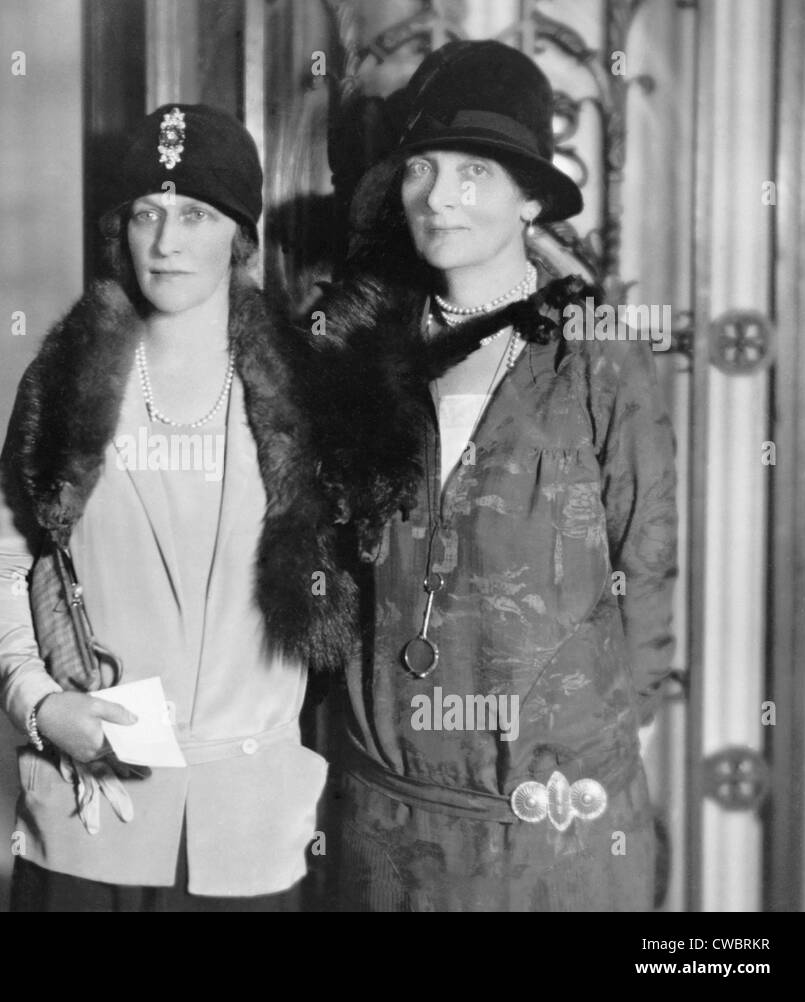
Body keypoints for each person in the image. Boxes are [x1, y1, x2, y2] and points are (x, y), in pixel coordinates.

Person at [313, 40, 678, 911]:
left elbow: (649, 565)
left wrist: (593, 750)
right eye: (421, 170)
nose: (439, 198)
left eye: (475, 172)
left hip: (552, 834)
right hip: (387, 826)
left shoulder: (596, 352)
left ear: (531, 199)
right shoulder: (358, 351)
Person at [0, 104, 347, 911]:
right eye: (147, 213)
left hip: (247, 828)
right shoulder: (67, 380)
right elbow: (1, 556)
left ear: (239, 235)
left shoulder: (308, 389)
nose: (167, 242)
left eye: (196, 215)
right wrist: (38, 703)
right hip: (90, 813)